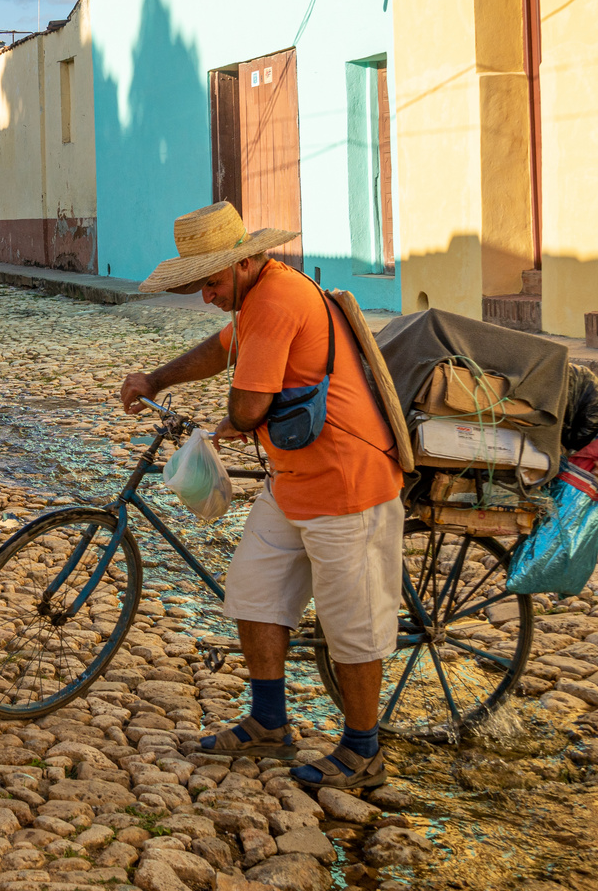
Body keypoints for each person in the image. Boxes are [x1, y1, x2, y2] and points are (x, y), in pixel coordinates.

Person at [119, 201, 404, 790]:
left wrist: (234, 418)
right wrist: (156, 379)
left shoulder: (275, 300)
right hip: (294, 480)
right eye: (199, 284)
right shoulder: (255, 298)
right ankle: (270, 722)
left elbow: (247, 407)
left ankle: (362, 752)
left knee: (350, 624)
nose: (206, 294)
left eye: (213, 281)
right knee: (252, 593)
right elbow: (221, 348)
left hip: (347, 483)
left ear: (247, 263)